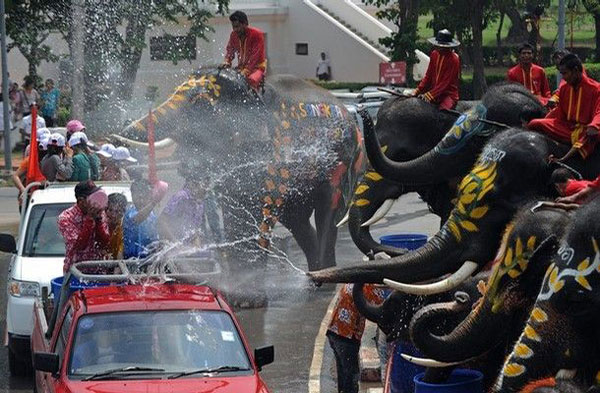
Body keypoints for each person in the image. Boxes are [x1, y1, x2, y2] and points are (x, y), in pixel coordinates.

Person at [528, 54, 600, 162]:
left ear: (575, 70)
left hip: (586, 130)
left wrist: (594, 126)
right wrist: (545, 119)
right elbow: (559, 114)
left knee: (591, 135)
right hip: (567, 128)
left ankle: (563, 159)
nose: (563, 78)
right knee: (535, 123)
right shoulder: (564, 88)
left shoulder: (596, 88)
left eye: (565, 73)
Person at [327, 284, 386, 393]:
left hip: (335, 332)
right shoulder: (368, 287)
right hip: (347, 336)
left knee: (343, 374)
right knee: (351, 376)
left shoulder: (354, 282)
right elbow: (381, 310)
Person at [58, 181, 110, 273]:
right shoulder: (66, 217)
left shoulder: (100, 214)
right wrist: (89, 219)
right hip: (76, 272)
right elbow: (80, 246)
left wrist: (98, 221)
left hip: (98, 271)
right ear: (81, 201)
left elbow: (104, 243)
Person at [413, 29, 461, 110]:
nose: (437, 48)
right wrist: (417, 90)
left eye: (440, 47)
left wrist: (429, 95)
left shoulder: (454, 59)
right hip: (434, 93)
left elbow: (445, 83)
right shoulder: (434, 54)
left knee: (443, 112)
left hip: (448, 95)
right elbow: (428, 76)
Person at [222, 11, 267, 90]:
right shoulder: (233, 35)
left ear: (245, 24)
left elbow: (255, 57)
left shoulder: (256, 34)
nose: (235, 29)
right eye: (233, 27)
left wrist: (245, 72)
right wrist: (227, 62)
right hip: (240, 69)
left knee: (251, 80)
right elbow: (230, 50)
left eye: (238, 26)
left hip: (256, 68)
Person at [123, 179, 167, 259]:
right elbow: (137, 219)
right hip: (131, 262)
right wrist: (153, 203)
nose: (141, 199)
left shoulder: (152, 215)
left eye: (145, 195)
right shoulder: (130, 213)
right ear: (133, 196)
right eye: (139, 196)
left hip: (149, 261)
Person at [160, 178, 207, 244]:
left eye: (208, 184)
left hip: (186, 247)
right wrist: (175, 242)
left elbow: (194, 230)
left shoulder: (200, 203)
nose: (207, 189)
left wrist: (196, 245)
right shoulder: (181, 197)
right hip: (170, 245)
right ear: (195, 185)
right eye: (205, 185)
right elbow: (161, 221)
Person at [106, 193, 128, 259]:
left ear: (123, 212)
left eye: (117, 211)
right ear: (105, 209)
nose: (113, 215)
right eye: (110, 210)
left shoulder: (124, 229)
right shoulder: (100, 225)